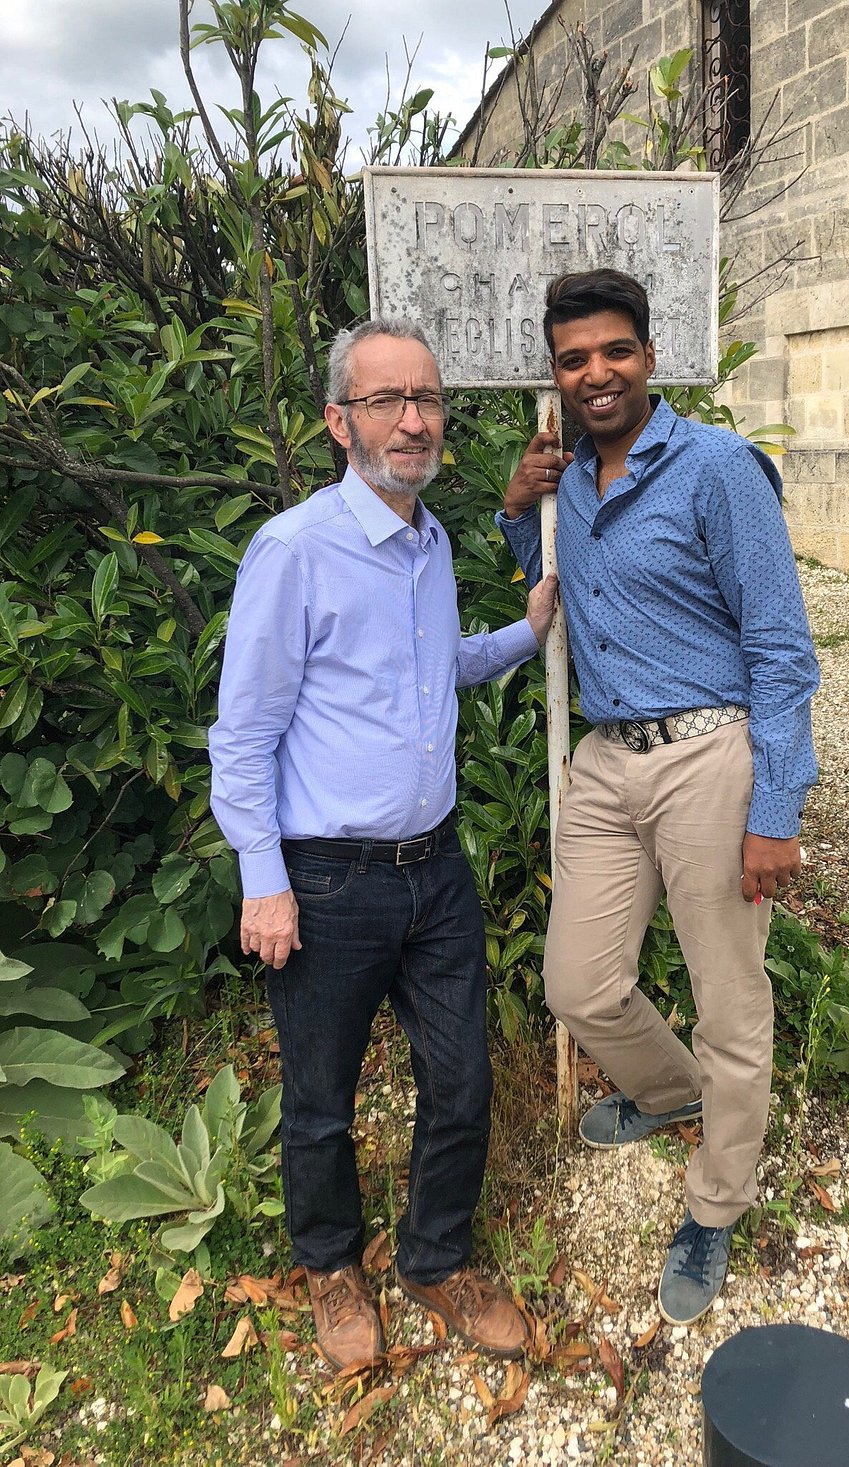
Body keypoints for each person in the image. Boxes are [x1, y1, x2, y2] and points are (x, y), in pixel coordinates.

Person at [209, 318, 558, 1369]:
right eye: (386, 401)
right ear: (337, 420)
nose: (413, 420)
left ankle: (432, 1259)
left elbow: (429, 670)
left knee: (461, 1080)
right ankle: (328, 1266)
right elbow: (243, 736)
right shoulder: (293, 552)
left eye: (427, 399)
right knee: (320, 1101)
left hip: (433, 871)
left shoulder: (430, 540)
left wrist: (525, 633)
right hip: (327, 880)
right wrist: (265, 885)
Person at [497, 269, 819, 1326]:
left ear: (648, 354)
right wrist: (515, 515)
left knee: (731, 1000)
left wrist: (775, 806)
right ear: (555, 374)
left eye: (613, 351)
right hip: (605, 760)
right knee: (578, 985)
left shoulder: (718, 469)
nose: (595, 373)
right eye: (572, 358)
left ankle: (716, 1203)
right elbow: (559, 594)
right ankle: (672, 1095)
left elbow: (777, 646)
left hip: (706, 760)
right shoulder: (567, 486)